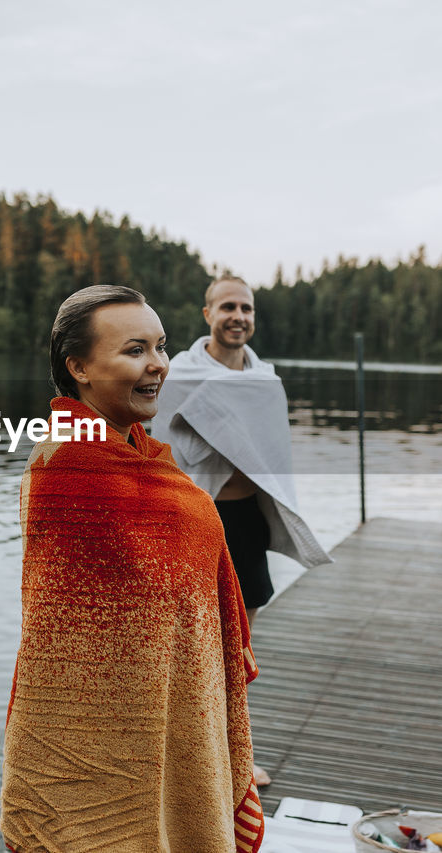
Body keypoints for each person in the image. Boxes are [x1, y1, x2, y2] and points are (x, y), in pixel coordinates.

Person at [0, 286, 265, 853]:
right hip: (98, 742)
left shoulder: (144, 454)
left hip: (175, 709)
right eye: (134, 350)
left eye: (161, 346)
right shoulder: (65, 467)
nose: (158, 365)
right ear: (79, 368)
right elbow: (66, 641)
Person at [151, 275, 331, 788]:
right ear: (207, 313)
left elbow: (270, 457)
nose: (238, 316)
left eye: (246, 308)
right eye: (227, 306)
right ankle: (177, 756)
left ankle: (234, 756)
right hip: (195, 522)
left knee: (240, 647)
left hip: (246, 520)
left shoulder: (265, 382)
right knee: (185, 642)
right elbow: (158, 444)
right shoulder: (178, 374)